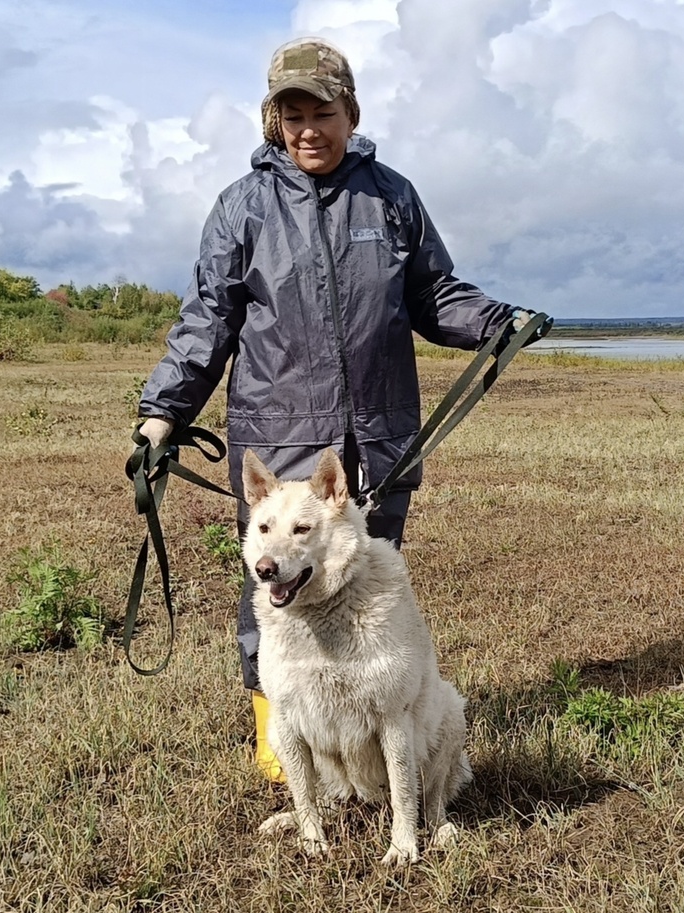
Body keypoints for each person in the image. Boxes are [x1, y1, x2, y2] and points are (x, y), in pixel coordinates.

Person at [136, 37, 548, 782]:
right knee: (279, 594)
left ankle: (368, 746)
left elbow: (434, 294)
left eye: (321, 111)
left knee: (367, 597)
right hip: (283, 447)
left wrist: (499, 322)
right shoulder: (242, 209)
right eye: (291, 114)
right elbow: (206, 322)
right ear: (273, 121)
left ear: (350, 111)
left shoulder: (390, 196)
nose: (307, 129)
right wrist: (161, 414)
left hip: (378, 447)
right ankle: (281, 740)